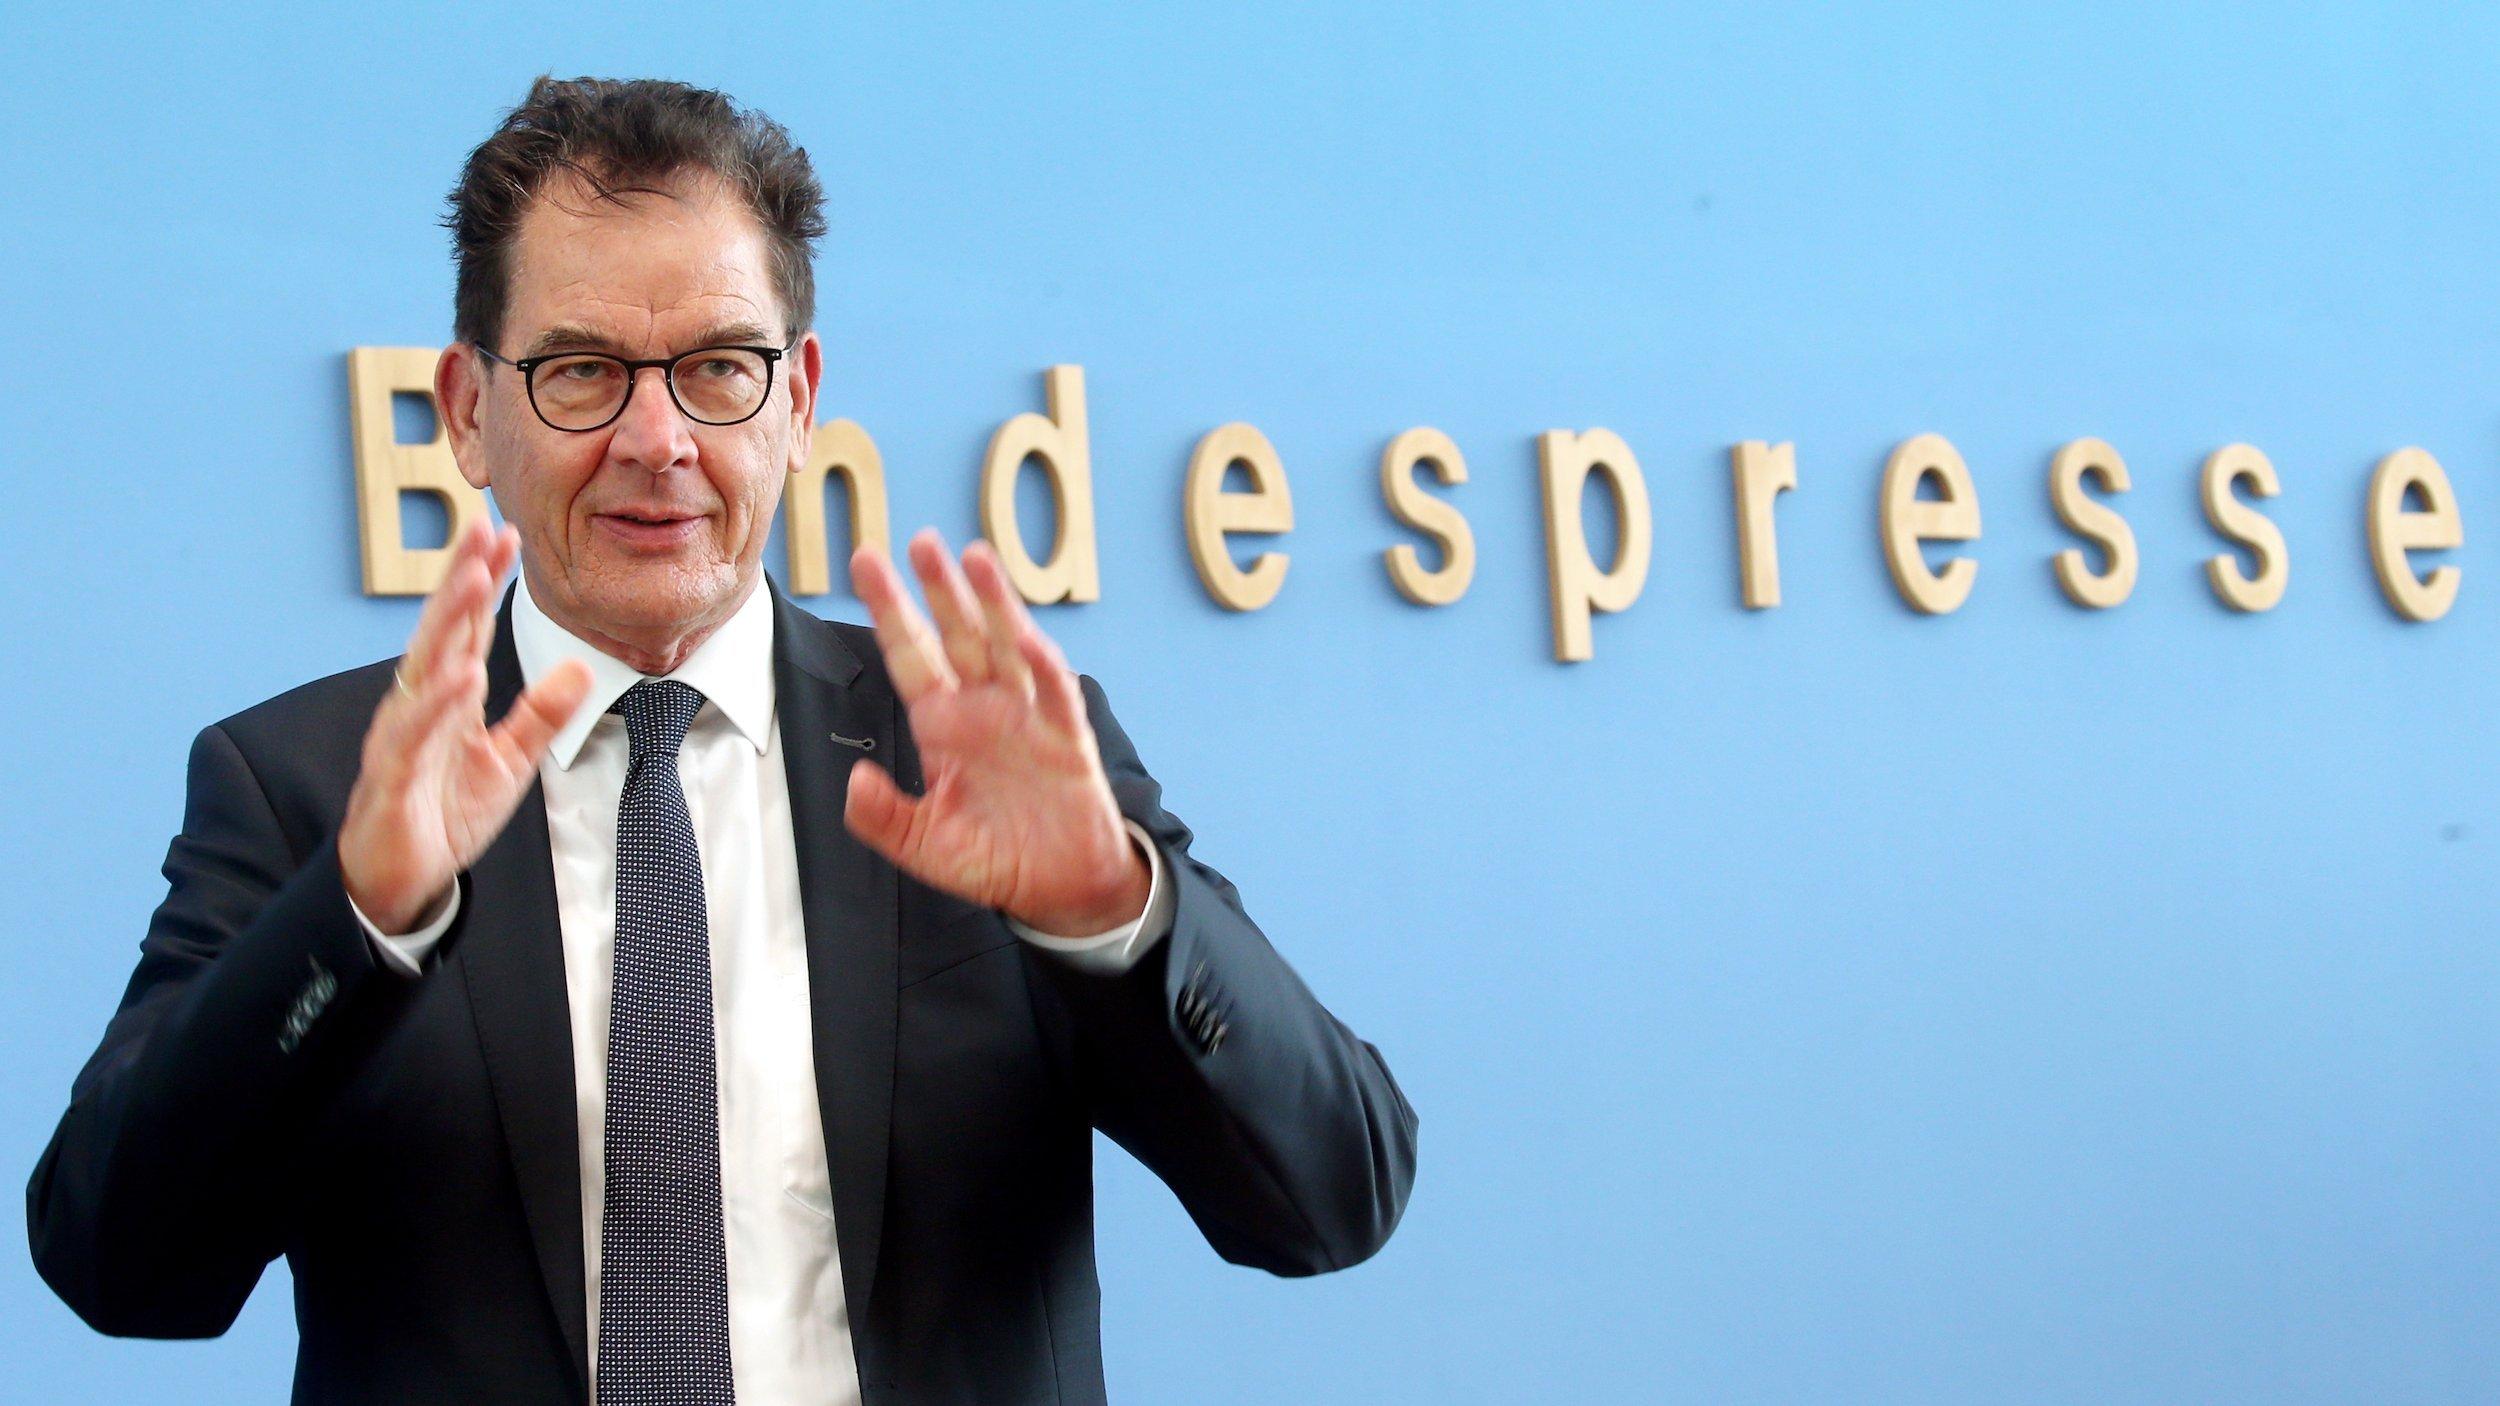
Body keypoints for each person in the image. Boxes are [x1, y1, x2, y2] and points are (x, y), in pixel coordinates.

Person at [27, 76, 1416, 1405]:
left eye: (717, 368)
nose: (658, 438)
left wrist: (1115, 915)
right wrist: (359, 919)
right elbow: (122, 1266)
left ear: (798, 399)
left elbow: (1333, 1198)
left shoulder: (983, 753)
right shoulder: (308, 784)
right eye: (581, 370)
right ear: (467, 410)